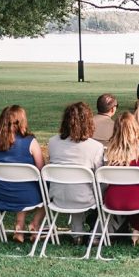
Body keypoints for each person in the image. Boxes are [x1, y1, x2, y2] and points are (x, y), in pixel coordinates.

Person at [0, 105, 45, 243]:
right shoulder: (30, 142)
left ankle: (19, 228)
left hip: (1, 194)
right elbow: (41, 169)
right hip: (28, 196)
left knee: (21, 182)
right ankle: (34, 224)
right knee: (51, 192)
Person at [47, 102, 105, 241]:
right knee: (101, 184)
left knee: (77, 183)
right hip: (84, 198)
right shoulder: (95, 147)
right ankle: (97, 231)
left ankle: (77, 232)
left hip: (57, 195)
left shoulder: (52, 142)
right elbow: (99, 176)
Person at [103, 112, 139, 245]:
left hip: (112, 200)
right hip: (138, 200)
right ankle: (138, 230)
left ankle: (122, 226)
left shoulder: (109, 148)